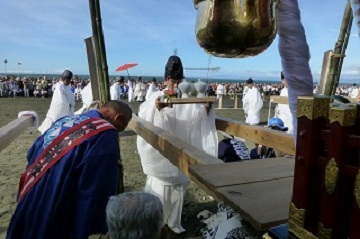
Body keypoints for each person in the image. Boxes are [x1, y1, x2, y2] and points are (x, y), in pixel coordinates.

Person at [6, 100, 132, 239]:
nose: (120, 130)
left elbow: (32, 151)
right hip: (59, 201)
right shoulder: (105, 134)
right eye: (122, 126)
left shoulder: (67, 119)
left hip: (32, 187)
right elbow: (95, 185)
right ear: (118, 118)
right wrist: (96, 221)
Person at [136, 55, 218, 234]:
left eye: (178, 81)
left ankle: (174, 224)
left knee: (177, 194)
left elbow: (199, 121)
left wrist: (206, 110)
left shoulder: (190, 96)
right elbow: (144, 114)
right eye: (171, 82)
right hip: (161, 155)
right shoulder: (157, 96)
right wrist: (156, 109)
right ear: (165, 80)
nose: (173, 85)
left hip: (182, 153)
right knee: (158, 195)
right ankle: (154, 226)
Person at [38, 70, 76, 134]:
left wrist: (71, 105)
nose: (69, 81)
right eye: (67, 79)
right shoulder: (59, 86)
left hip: (69, 110)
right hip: (60, 110)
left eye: (69, 79)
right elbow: (59, 100)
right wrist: (67, 105)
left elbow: (70, 97)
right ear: (63, 78)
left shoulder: (67, 87)